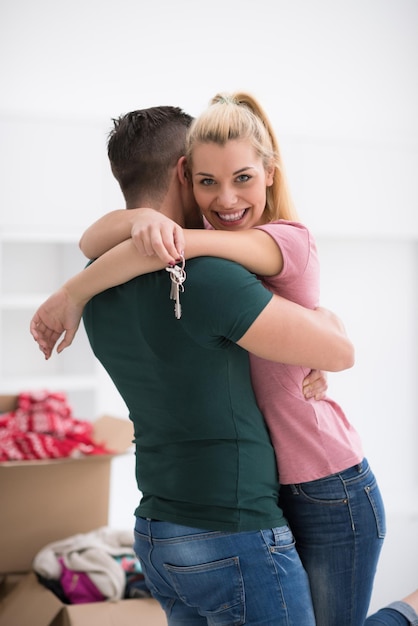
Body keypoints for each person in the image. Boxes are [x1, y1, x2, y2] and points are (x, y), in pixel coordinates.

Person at [30, 101, 418, 626]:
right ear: (185, 173)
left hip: (169, 528)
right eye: (208, 179)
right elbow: (334, 349)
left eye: (242, 178)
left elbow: (338, 352)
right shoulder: (207, 277)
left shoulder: (100, 284)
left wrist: (74, 288)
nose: (224, 198)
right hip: (236, 525)